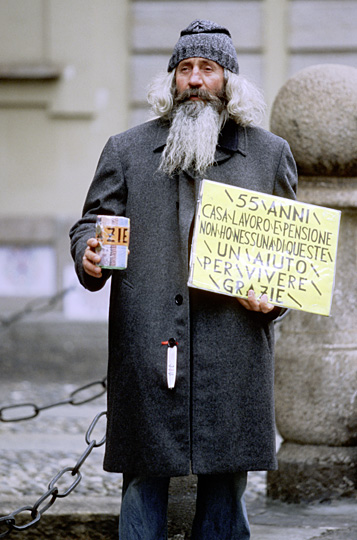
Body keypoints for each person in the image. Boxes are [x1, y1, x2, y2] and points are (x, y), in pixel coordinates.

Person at [70, 19, 297, 540]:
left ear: (229, 81)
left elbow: (286, 253)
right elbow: (91, 223)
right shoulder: (125, 149)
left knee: (225, 489)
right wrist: (90, 253)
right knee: (144, 481)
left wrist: (274, 299)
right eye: (185, 68)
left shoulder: (269, 154)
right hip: (147, 341)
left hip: (233, 346)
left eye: (208, 69)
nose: (194, 80)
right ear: (172, 80)